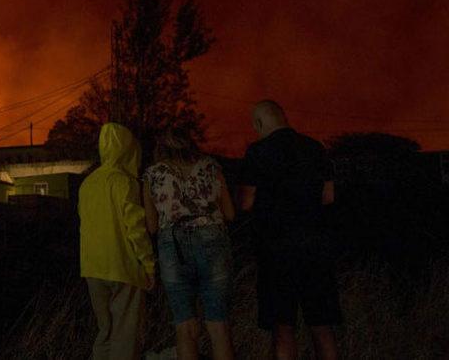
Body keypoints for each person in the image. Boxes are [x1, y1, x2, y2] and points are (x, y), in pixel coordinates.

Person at [240, 100, 340, 360]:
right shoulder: (315, 148)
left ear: (258, 123)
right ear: (283, 117)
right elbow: (329, 196)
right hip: (316, 247)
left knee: (282, 327)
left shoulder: (257, 152)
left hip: (276, 251)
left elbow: (247, 202)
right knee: (322, 325)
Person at [143, 132, 236, 360]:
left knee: (184, 325)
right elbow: (230, 213)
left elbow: (152, 226)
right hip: (212, 240)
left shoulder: (152, 174)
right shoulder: (211, 167)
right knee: (218, 325)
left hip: (173, 247)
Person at [78, 122, 156, 360]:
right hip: (123, 268)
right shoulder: (124, 182)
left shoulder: (87, 183)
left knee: (105, 331)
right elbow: (136, 230)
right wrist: (149, 266)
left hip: (92, 268)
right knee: (125, 335)